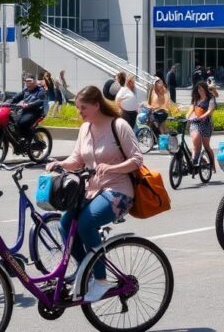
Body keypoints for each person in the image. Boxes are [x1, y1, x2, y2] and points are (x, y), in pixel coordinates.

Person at [47, 86, 143, 302]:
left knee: (85, 225)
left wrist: (112, 168)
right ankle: (86, 271)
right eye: (78, 108)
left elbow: (137, 159)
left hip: (118, 191)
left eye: (83, 107)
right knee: (64, 225)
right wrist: (59, 163)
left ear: (97, 104)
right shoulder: (85, 129)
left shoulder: (118, 125)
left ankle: (101, 280)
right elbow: (77, 159)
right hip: (92, 191)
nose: (79, 112)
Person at [187, 81, 216, 172]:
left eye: (202, 88)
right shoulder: (195, 99)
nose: (200, 90)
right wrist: (187, 117)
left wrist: (201, 117)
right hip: (195, 123)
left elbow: (209, 111)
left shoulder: (210, 98)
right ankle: (195, 160)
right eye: (198, 88)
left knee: (206, 146)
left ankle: (212, 165)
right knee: (195, 140)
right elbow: (190, 110)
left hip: (206, 123)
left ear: (205, 89)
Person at [10, 74, 47, 142]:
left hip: (36, 111)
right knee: (14, 121)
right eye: (26, 81)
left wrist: (29, 104)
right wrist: (6, 102)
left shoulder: (40, 90)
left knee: (23, 122)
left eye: (30, 81)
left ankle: (28, 141)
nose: (28, 83)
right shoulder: (26, 91)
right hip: (25, 111)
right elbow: (16, 98)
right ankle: (19, 138)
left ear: (35, 81)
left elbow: (39, 101)